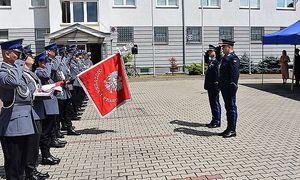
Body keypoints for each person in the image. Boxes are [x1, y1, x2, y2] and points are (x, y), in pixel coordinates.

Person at [0, 39, 37, 179]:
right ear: (7, 54)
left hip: (26, 121)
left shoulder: (17, 70)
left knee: (22, 164)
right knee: (14, 166)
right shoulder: (2, 71)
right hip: (12, 125)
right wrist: (20, 63)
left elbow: (28, 90)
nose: (20, 56)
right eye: (17, 53)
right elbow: (13, 82)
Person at [23, 45, 50, 180]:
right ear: (24, 58)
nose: (33, 58)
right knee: (32, 144)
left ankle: (32, 170)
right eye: (30, 56)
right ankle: (30, 172)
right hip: (31, 111)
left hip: (37, 110)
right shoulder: (23, 73)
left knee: (35, 142)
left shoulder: (30, 72)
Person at [35, 52, 62, 166]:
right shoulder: (39, 71)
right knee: (45, 133)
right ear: (40, 63)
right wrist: (50, 63)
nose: (46, 64)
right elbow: (46, 75)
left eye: (46, 62)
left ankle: (48, 154)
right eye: (44, 62)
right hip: (46, 106)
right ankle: (45, 156)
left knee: (50, 131)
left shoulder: (44, 70)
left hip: (51, 105)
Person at [218, 39, 240, 138]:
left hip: (229, 88)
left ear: (229, 47)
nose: (222, 48)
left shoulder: (233, 58)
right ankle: (228, 127)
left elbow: (235, 75)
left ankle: (232, 130)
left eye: (224, 47)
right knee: (228, 108)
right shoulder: (225, 58)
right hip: (224, 87)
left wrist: (233, 87)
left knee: (231, 108)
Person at [205, 45, 221, 128]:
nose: (209, 52)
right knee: (212, 104)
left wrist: (217, 86)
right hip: (210, 86)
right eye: (208, 51)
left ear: (215, 52)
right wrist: (206, 55)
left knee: (215, 103)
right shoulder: (211, 61)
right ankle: (214, 119)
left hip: (215, 86)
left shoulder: (217, 62)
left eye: (211, 51)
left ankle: (217, 121)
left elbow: (218, 75)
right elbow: (206, 60)